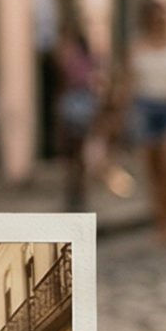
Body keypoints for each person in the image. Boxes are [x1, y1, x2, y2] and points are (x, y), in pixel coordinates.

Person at [112, 0, 166, 247]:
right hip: (146, 109)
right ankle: (163, 221)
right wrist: (118, 115)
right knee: (154, 172)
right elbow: (128, 83)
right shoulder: (137, 46)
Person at [52, 16, 104, 212]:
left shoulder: (73, 56)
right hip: (77, 103)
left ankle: (77, 190)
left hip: (78, 103)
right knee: (74, 151)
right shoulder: (73, 55)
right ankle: (75, 190)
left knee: (76, 151)